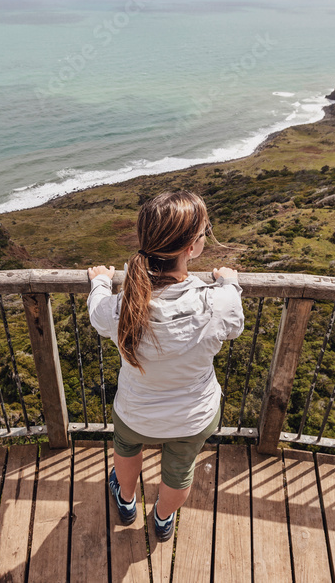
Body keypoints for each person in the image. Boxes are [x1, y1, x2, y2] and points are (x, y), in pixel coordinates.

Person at [87, 191, 244, 541]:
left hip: (136, 411)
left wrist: (99, 279)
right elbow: (233, 322)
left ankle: (126, 501)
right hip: (194, 416)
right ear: (191, 247)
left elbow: (97, 308)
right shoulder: (217, 303)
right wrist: (228, 280)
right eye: (205, 230)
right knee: (180, 471)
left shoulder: (118, 308)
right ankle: (161, 519)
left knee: (126, 452)